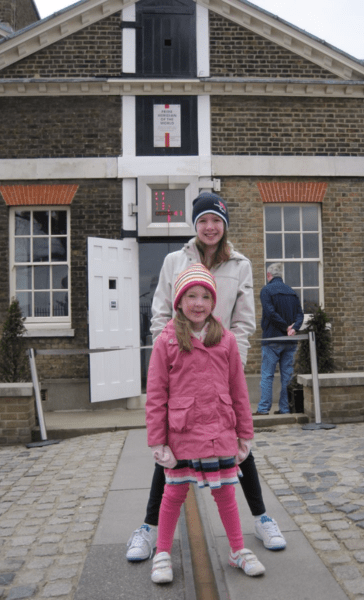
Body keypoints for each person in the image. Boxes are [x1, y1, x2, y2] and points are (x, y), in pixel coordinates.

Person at [126, 192, 286, 562]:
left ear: (224, 225)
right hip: (181, 363)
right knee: (169, 450)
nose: (210, 227)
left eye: (216, 221)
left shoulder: (241, 264)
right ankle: (149, 529)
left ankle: (261, 518)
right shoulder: (174, 261)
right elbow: (161, 312)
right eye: (203, 221)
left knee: (238, 446)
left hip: (221, 359)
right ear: (194, 226)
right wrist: (168, 358)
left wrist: (232, 361)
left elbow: (245, 319)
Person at [146, 264, 265, 583]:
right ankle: (162, 553)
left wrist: (245, 435)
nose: (198, 303)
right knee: (174, 493)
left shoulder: (225, 340)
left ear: (213, 302)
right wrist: (158, 441)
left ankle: (237, 549)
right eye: (190, 296)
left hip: (219, 431)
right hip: (182, 433)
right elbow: (156, 394)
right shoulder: (166, 341)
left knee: (226, 492)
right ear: (179, 301)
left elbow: (239, 390)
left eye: (204, 296)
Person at [253, 263, 304, 416]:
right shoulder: (292, 292)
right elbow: (300, 315)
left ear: (269, 275)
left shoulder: (266, 290)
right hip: (290, 341)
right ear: (281, 276)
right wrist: (294, 328)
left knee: (267, 375)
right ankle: (285, 408)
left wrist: (285, 327)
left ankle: (263, 409)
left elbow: (270, 313)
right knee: (287, 376)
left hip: (272, 339)